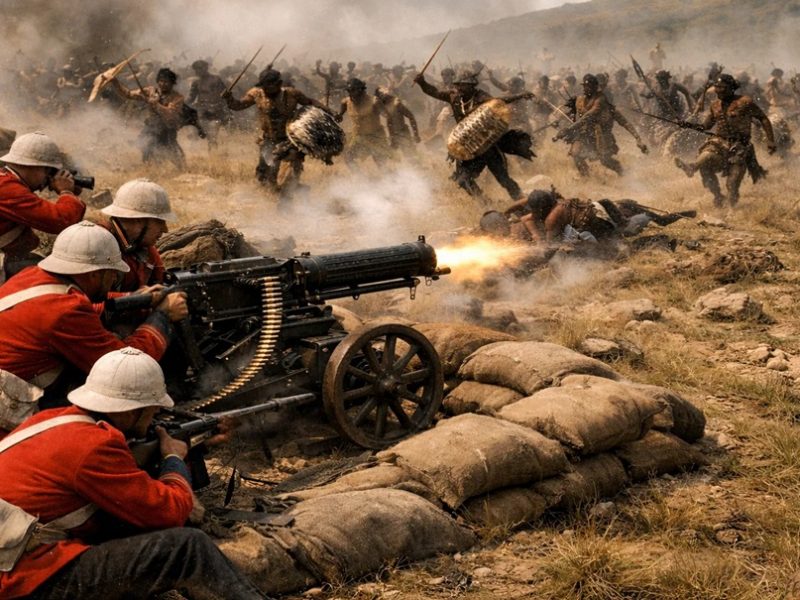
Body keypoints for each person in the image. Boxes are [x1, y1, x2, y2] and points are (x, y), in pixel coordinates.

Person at [0, 347, 267, 599]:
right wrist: (174, 459)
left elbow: (118, 481)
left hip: (12, 561)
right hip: (19, 580)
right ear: (130, 412)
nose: (154, 416)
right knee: (188, 548)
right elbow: (170, 512)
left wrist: (199, 445)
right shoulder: (95, 446)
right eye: (152, 410)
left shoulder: (50, 420)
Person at [0, 221, 187, 410]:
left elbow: (83, 303)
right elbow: (125, 369)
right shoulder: (66, 310)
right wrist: (162, 317)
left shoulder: (31, 277)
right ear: (94, 274)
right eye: (112, 273)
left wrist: (136, 298)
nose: (114, 279)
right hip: (10, 404)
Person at [414, 69, 533, 202]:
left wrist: (519, 96)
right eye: (458, 85)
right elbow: (434, 92)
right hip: (468, 147)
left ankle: (521, 200)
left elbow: (499, 101)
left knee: (503, 179)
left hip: (487, 147)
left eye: (463, 85)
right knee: (462, 179)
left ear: (471, 86)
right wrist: (422, 83)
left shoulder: (480, 97)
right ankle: (484, 203)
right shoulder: (454, 96)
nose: (459, 88)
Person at [674, 74, 776, 207]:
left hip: (740, 146)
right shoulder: (715, 105)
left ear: (731, 88)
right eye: (717, 87)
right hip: (719, 142)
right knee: (707, 157)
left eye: (722, 88)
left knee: (732, 184)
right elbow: (705, 126)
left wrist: (770, 141)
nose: (718, 91)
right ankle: (699, 174)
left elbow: (763, 118)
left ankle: (732, 210)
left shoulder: (745, 102)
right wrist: (688, 125)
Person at [223, 68, 329, 196]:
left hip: (289, 141)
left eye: (269, 87)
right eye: (264, 86)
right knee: (264, 176)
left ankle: (289, 198)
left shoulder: (292, 94)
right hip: (268, 140)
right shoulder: (257, 94)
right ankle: (282, 194)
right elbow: (238, 105)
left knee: (289, 174)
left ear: (278, 84)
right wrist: (229, 98)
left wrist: (329, 111)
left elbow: (311, 102)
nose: (266, 90)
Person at [0, 132, 85, 282]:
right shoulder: (7, 188)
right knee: (61, 281)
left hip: (10, 256)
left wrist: (70, 194)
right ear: (31, 167)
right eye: (47, 171)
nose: (49, 177)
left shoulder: (7, 181)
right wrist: (66, 192)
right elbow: (60, 220)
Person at [554, 74, 647, 177]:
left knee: (605, 160)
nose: (585, 89)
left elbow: (625, 123)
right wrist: (558, 121)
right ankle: (586, 178)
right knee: (576, 153)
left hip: (602, 137)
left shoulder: (606, 106)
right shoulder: (580, 100)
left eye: (588, 87)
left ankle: (623, 174)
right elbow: (572, 111)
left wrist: (638, 139)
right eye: (584, 86)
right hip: (584, 135)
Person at [98, 179, 174, 293]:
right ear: (138, 220)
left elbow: (160, 280)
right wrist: (141, 298)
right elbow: (87, 300)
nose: (165, 229)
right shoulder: (98, 245)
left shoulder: (145, 247)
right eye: (160, 222)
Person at [112, 67, 186, 167]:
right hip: (151, 127)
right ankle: (150, 168)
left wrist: (156, 104)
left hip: (167, 129)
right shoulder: (151, 91)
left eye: (166, 82)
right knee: (146, 146)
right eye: (161, 81)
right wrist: (115, 82)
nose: (163, 84)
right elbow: (128, 94)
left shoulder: (177, 97)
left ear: (172, 83)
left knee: (177, 158)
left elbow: (170, 113)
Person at [337, 78, 390, 166]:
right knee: (348, 157)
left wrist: (393, 134)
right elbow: (340, 116)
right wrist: (338, 116)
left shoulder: (374, 101)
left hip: (376, 137)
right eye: (349, 91)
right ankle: (359, 175)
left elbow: (388, 117)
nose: (350, 93)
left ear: (360, 90)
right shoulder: (345, 102)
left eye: (353, 90)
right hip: (359, 137)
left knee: (381, 164)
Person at [186, 59, 230, 149]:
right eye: (196, 69)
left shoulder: (216, 79)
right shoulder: (196, 82)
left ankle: (213, 155)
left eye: (200, 68)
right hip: (201, 112)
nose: (197, 71)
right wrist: (181, 104)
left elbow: (224, 94)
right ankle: (195, 152)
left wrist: (226, 95)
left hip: (215, 112)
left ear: (206, 68)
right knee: (194, 132)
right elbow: (191, 97)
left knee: (212, 137)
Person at [374, 87, 421, 155]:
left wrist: (416, 134)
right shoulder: (379, 106)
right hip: (390, 138)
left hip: (402, 133)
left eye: (382, 95)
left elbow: (411, 116)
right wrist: (392, 139)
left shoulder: (396, 103)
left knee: (411, 156)